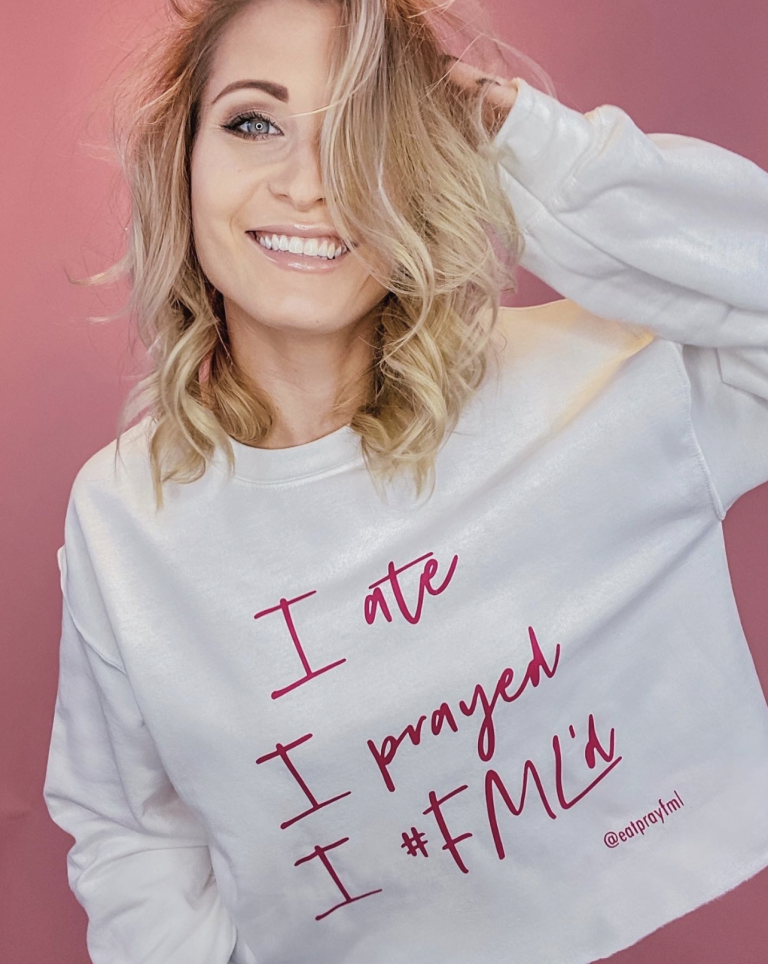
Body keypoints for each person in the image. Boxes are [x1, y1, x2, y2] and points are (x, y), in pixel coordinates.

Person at [42, 0, 768, 962]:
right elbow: (131, 829)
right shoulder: (121, 516)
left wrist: (535, 149)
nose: (306, 183)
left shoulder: (594, 387)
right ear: (183, 161)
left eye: (360, 132)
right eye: (253, 122)